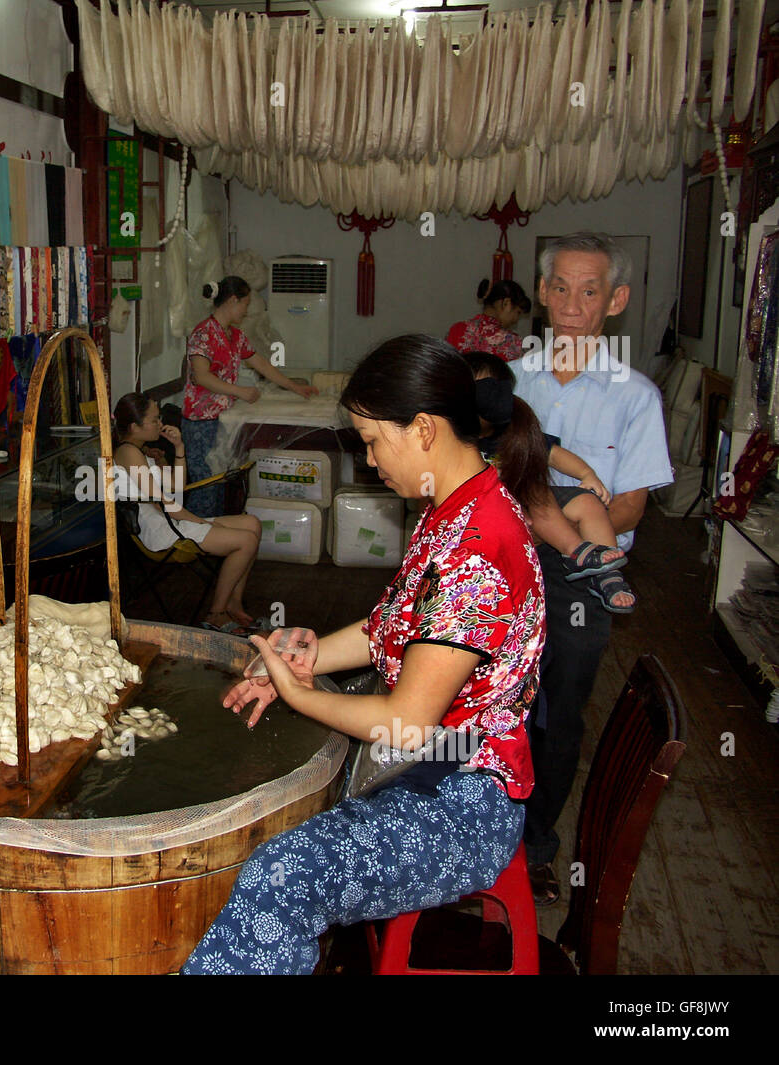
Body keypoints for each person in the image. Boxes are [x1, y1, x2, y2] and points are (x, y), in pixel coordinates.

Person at [182, 335, 545, 974]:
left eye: (374, 441)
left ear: (425, 430)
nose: (370, 459)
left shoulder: (479, 548)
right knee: (264, 776)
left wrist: (301, 694)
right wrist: (305, 658)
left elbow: (407, 721)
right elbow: (390, 628)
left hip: (461, 802)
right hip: (429, 765)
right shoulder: (449, 512)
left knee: (281, 875)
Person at [513, 232, 674, 905]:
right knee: (488, 696)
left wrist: (552, 505)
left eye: (590, 291)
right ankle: (475, 830)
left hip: (583, 573)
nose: (573, 305)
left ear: (617, 300)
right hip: (508, 556)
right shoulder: (512, 379)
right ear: (543, 292)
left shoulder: (634, 396)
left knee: (560, 711)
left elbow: (631, 506)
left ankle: (536, 845)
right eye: (560, 288)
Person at [465, 351, 635, 612]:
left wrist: (587, 474)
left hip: (530, 497)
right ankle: (575, 551)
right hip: (490, 513)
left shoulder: (514, 429)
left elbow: (553, 454)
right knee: (535, 495)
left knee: (587, 504)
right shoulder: (455, 439)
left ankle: (605, 574)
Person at [114, 392, 263, 632]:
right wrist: (204, 524)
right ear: (135, 426)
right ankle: (216, 613)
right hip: (159, 530)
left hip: (166, 519)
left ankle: (233, 605)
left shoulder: (139, 452)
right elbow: (165, 503)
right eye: (154, 420)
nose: (160, 424)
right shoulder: (129, 453)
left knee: (252, 523)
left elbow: (178, 486)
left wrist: (179, 448)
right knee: (245, 541)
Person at [183, 275, 317, 517]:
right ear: (233, 300)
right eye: (245, 304)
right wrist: (240, 391)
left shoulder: (235, 336)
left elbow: (261, 364)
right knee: (206, 485)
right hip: (200, 422)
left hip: (223, 419)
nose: (246, 311)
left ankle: (218, 538)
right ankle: (194, 540)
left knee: (221, 483)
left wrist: (294, 387)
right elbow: (201, 376)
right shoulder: (204, 333)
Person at [446, 278, 532, 362]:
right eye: (518, 312)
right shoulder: (514, 343)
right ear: (506, 303)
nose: (516, 320)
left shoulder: (457, 330)